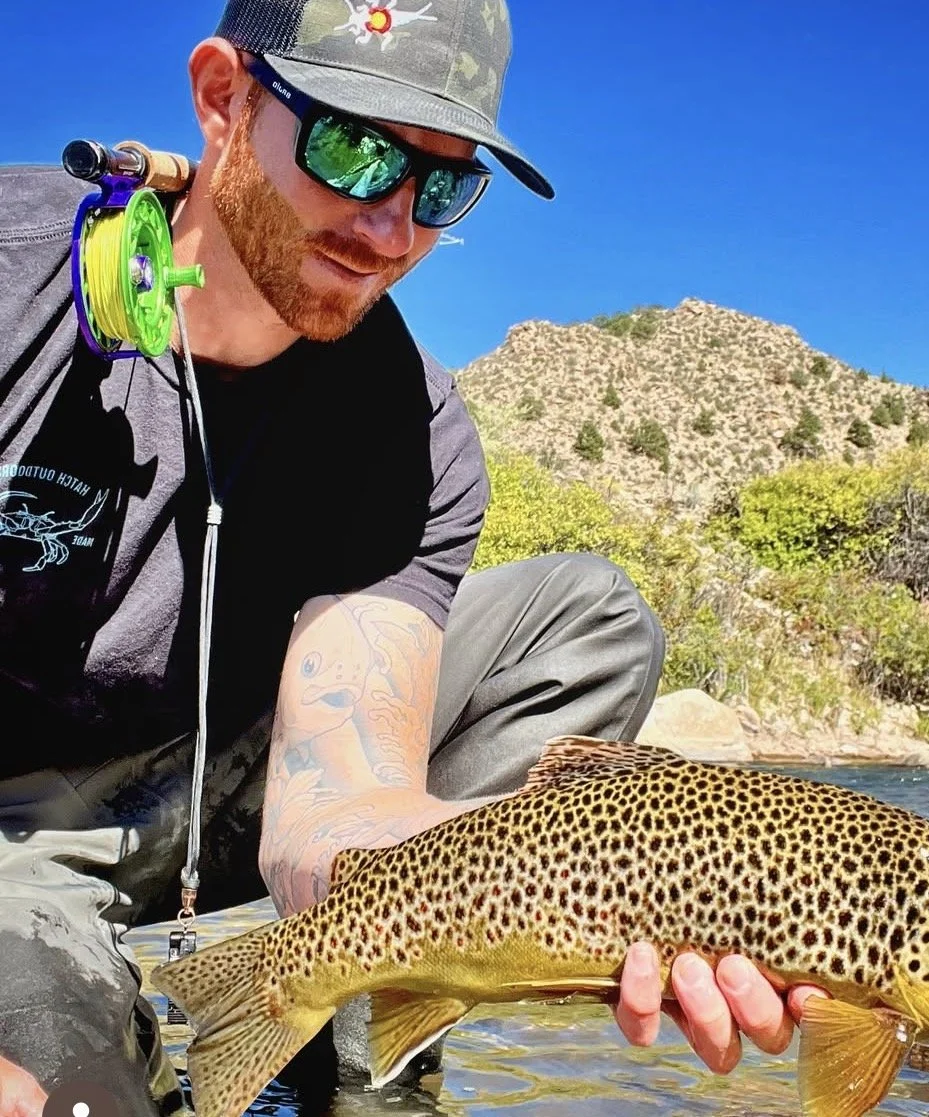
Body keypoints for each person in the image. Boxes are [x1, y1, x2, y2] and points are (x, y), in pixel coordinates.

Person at [0, 0, 824, 1113]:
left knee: (587, 615)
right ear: (222, 99)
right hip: (17, 832)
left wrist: (552, 889)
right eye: (354, 147)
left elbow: (339, 794)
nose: (391, 229)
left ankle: (348, 1005)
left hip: (231, 783)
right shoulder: (14, 285)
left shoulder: (415, 432)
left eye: (441, 186)